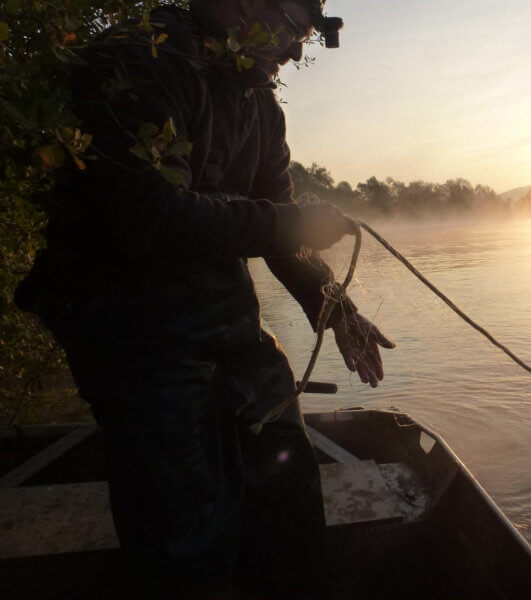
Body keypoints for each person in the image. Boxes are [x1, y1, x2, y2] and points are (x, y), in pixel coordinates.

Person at [15, 0, 393, 597]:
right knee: (186, 530)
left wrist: (334, 306)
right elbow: (153, 220)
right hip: (125, 323)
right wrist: (291, 221)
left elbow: (276, 221)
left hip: (222, 318)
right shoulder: (140, 58)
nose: (296, 51)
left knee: (286, 494)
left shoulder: (261, 107)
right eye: (294, 32)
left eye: (307, 38)